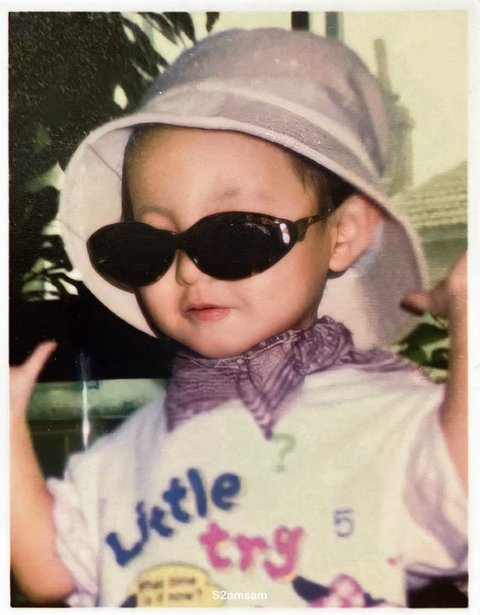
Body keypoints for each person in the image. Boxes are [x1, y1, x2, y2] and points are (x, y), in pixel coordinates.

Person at [10, 28, 467, 608]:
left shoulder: (386, 419)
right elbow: (52, 573)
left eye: (234, 234)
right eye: (149, 244)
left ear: (343, 233)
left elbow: (463, 497)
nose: (187, 272)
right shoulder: (129, 450)